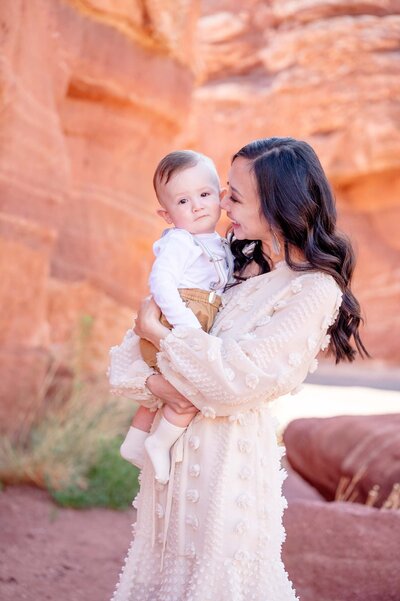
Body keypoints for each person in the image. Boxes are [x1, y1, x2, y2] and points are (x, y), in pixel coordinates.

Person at [111, 137, 368, 601]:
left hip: (229, 473)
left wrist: (166, 338)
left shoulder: (312, 290)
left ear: (276, 205)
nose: (220, 203)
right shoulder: (222, 261)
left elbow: (236, 381)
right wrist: (158, 384)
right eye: (223, 190)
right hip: (171, 473)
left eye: (234, 195)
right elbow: (131, 353)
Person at [109, 150, 233, 484]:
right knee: (190, 394)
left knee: (163, 389)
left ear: (221, 197)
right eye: (183, 201)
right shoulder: (180, 241)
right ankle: (158, 444)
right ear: (166, 215)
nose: (197, 206)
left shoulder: (218, 243)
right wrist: (186, 328)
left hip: (184, 322)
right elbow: (160, 283)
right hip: (174, 325)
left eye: (205, 195)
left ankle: (135, 443)